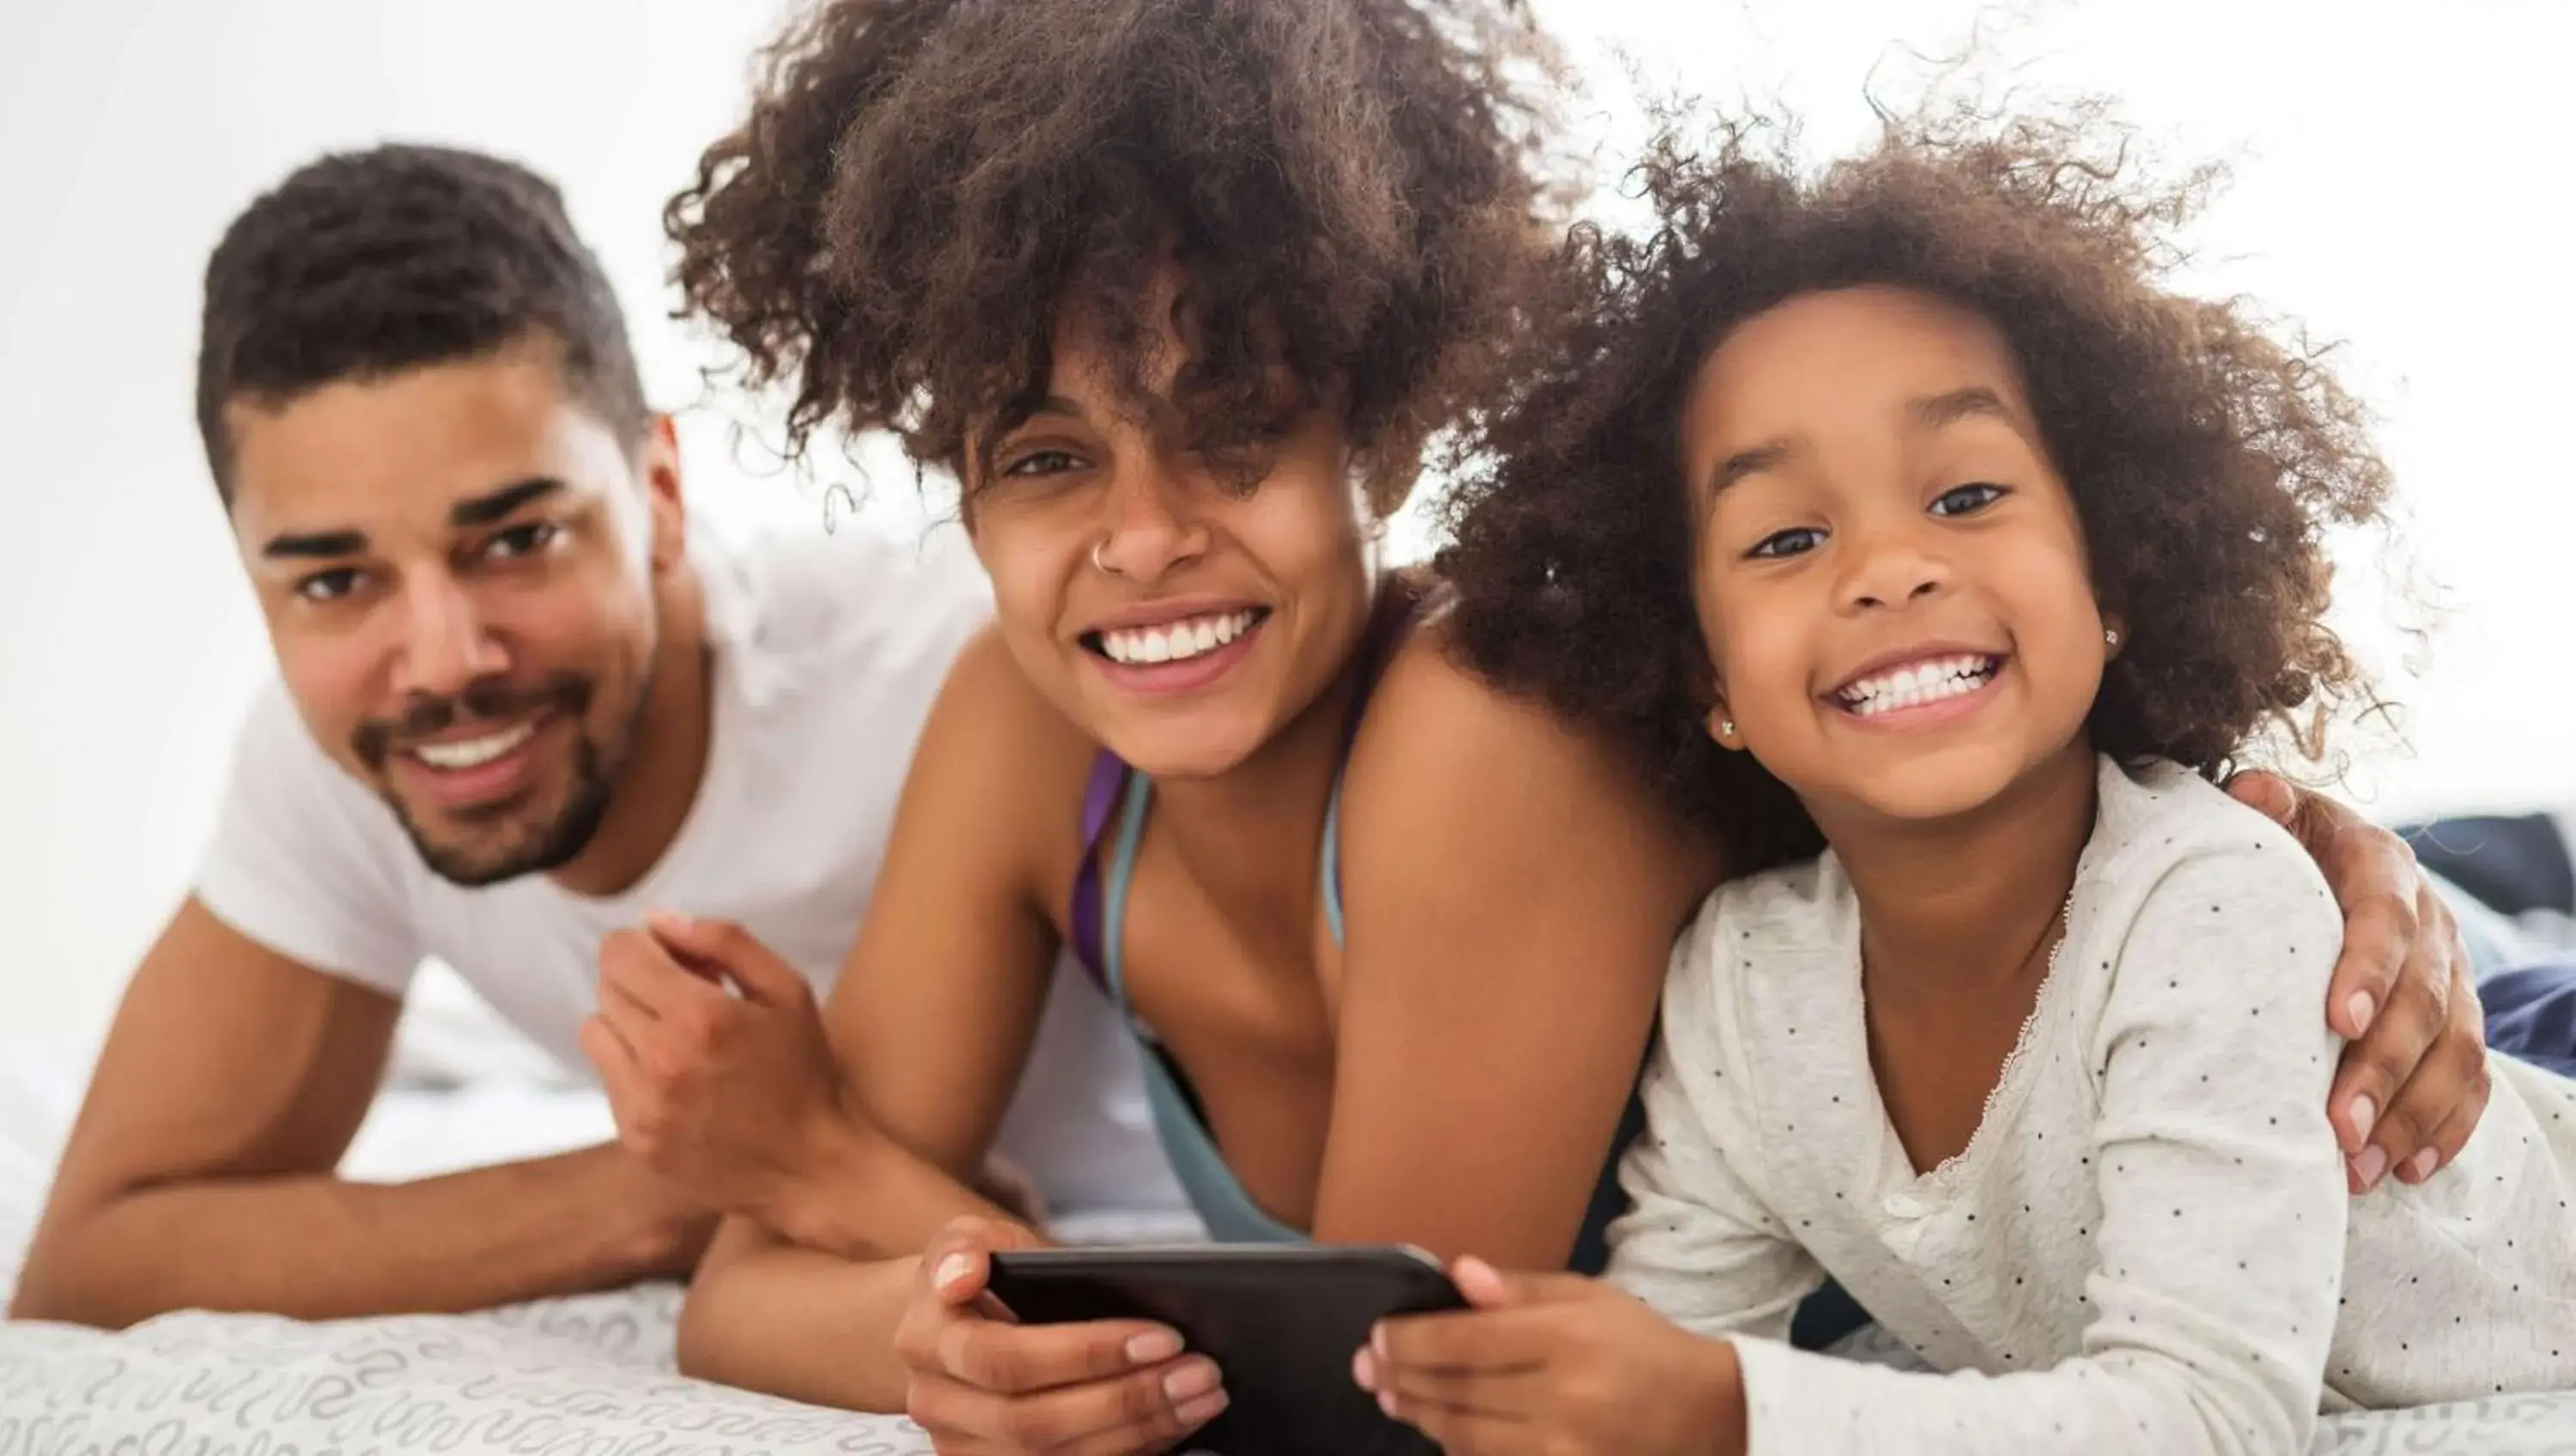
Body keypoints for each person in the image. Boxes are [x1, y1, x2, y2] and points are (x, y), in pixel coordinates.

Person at [611, 3, 2493, 1448]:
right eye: (1043, 456)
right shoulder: (1025, 731)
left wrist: (855, 1184)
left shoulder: (1476, 733)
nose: (1143, 534)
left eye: (1236, 423)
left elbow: (1365, 1389)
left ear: (1385, 428)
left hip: (2277, 992)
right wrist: (936, 1319)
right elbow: (733, 1300)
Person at [1362, 108, 2576, 1455]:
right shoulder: (1741, 990)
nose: (1886, 567)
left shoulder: (2207, 905)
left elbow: (2207, 1420)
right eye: (1788, 536)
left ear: (2112, 577)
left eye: (1963, 499)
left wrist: (1714, 1408)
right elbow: (1679, 1344)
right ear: (1704, 674)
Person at [6, 143, 1176, 1330]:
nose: (444, 661)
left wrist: (789, 1167)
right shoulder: (348, 750)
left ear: (660, 491)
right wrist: (684, 1187)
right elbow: (96, 1261)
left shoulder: (956, 674)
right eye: (333, 579)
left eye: (517, 541)